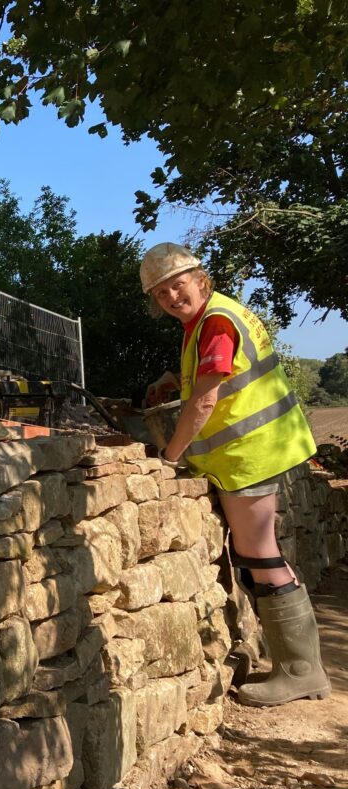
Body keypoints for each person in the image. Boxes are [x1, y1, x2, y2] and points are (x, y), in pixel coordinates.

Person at [140, 242, 330, 707]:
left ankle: (302, 671)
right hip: (258, 449)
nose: (171, 297)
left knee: (261, 555)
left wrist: (169, 456)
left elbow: (206, 401)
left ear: (199, 278)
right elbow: (214, 380)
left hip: (250, 454)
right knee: (259, 555)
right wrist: (174, 380)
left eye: (177, 285)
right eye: (161, 292)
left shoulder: (216, 323)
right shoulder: (210, 318)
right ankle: (297, 667)